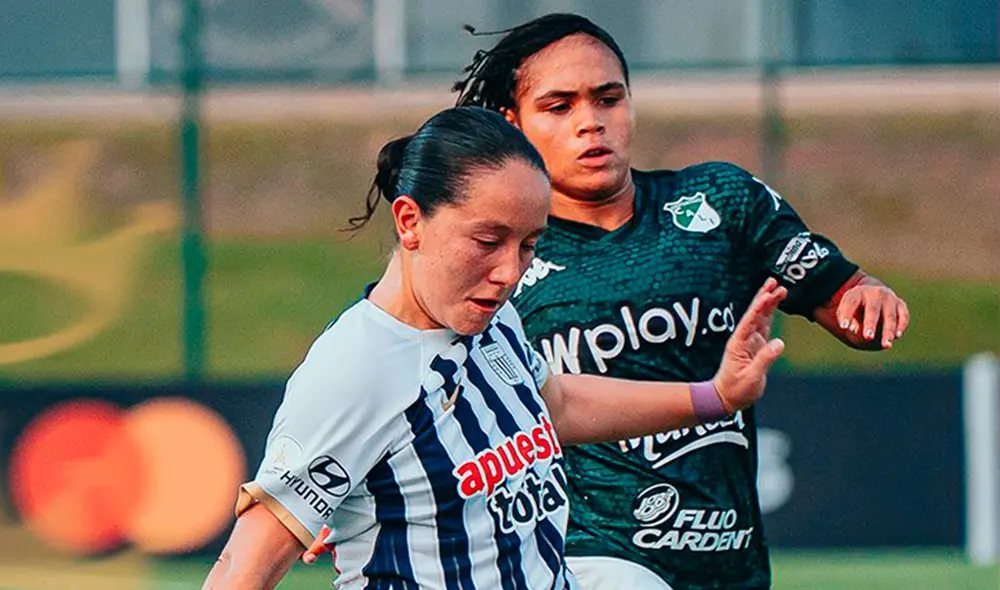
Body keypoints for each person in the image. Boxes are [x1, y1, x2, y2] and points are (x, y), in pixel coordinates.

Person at [200, 106, 789, 590]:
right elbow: (243, 567)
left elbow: (553, 405)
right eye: (488, 240)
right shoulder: (354, 370)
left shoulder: (491, 319)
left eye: (529, 244)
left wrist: (715, 396)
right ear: (410, 222)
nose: (509, 271)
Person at [452, 13, 911, 590]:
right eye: (559, 106)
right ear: (512, 124)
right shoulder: (499, 254)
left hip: (728, 556)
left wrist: (866, 300)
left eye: (608, 98)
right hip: (581, 554)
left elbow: (839, 293)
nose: (590, 123)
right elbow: (416, 371)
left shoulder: (721, 202)